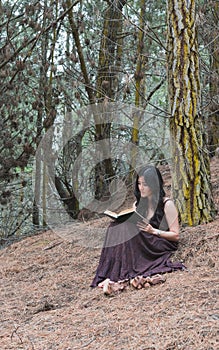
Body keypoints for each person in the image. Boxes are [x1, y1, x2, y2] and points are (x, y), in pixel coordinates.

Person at [91, 165, 185, 295]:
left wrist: (154, 231)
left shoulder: (167, 204)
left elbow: (176, 236)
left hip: (160, 241)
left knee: (129, 231)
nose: (141, 188)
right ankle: (112, 274)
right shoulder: (138, 204)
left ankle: (122, 276)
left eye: (145, 184)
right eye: (139, 184)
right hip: (144, 240)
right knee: (115, 227)